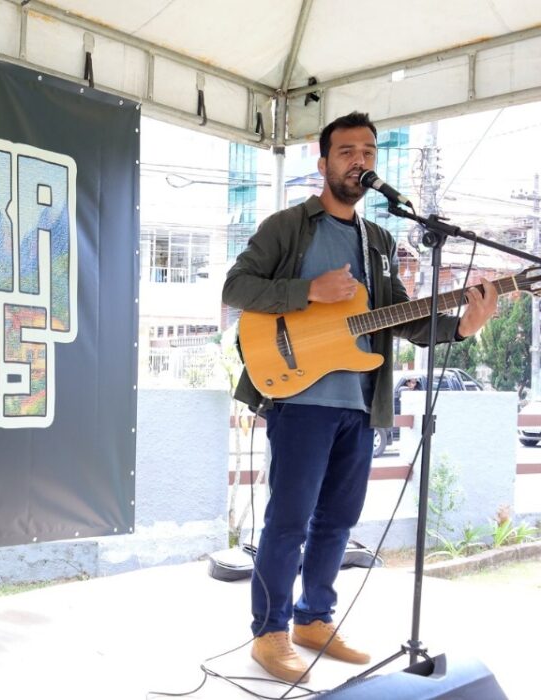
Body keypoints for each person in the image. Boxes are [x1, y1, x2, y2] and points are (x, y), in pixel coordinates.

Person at [222, 112, 497, 684]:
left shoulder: (378, 241)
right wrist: (308, 291)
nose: (360, 161)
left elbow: (398, 316)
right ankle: (269, 632)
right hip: (299, 399)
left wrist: (461, 325)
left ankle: (314, 619)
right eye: (347, 152)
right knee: (289, 520)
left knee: (339, 520)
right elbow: (236, 287)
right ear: (323, 162)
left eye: (368, 152)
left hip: (360, 404)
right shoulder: (287, 226)